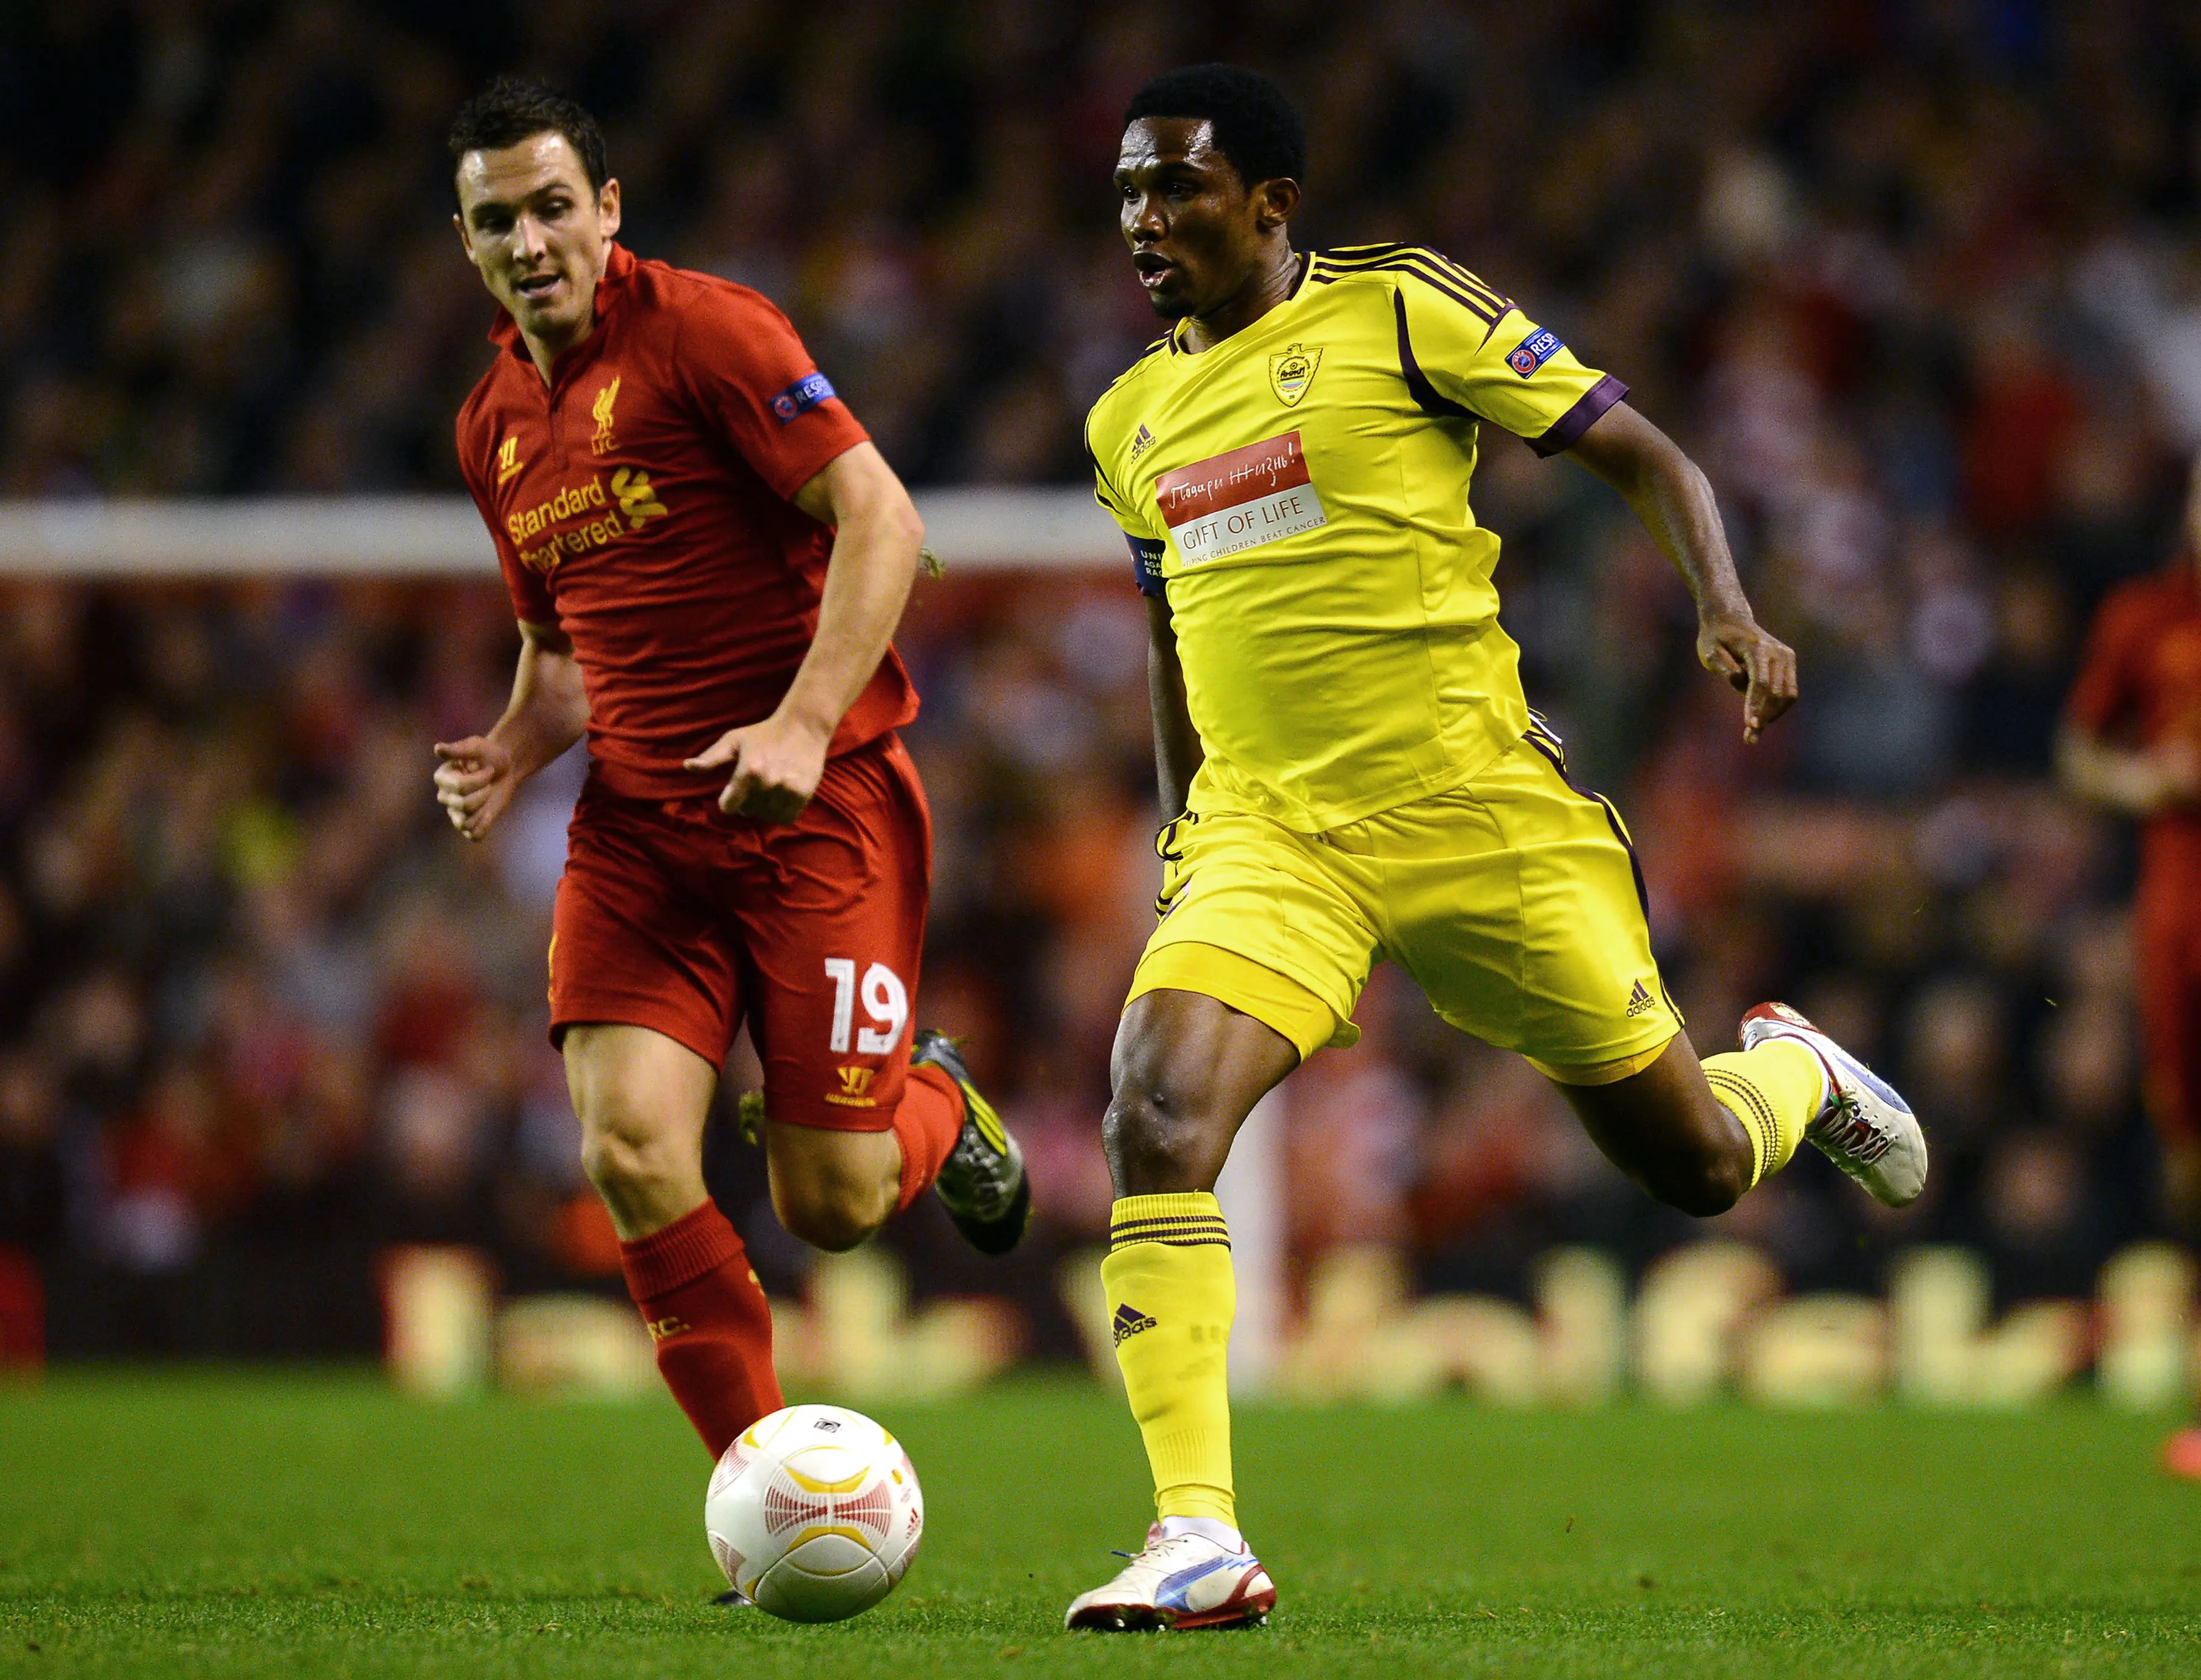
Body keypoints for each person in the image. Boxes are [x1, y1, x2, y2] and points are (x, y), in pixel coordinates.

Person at [1069, 64, 1927, 1632]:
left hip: (1476, 812)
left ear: (1271, 204)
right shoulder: (1128, 420)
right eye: (1129, 189)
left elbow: (1652, 456)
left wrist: (1725, 611)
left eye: (1179, 185)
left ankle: (1794, 1074)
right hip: (1273, 834)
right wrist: (1185, 819)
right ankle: (1195, 1535)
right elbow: (1171, 632)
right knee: (1156, 1110)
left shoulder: (1400, 310)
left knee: (1696, 1167)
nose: (1145, 218)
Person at [432, 78, 1028, 1471]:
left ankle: (937, 1099)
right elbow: (559, 651)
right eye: (494, 220)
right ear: (463, 241)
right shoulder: (491, 428)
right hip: (641, 836)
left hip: (823, 811)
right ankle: (769, 1494)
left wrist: (803, 724)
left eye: (553, 208)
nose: (529, 243)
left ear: (609, 208)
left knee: (833, 1203)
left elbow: (881, 514)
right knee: (630, 1152)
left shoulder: (710, 331)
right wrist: (516, 747)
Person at [2059, 452, 2201, 1481]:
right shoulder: (2143, 616)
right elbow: (2078, 754)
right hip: (2176, 918)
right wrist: (2146, 780)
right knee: (2191, 1151)